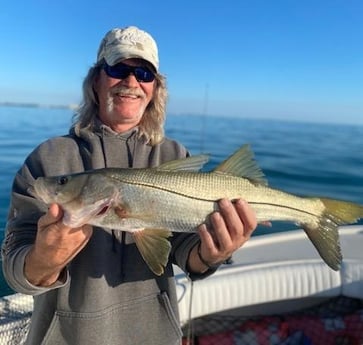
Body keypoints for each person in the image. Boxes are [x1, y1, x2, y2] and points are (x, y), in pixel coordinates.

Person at [1, 26, 257, 345]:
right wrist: (42, 261)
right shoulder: (48, 158)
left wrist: (210, 255)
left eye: (144, 73)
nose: (131, 81)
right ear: (96, 80)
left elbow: (181, 249)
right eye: (118, 68)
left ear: (155, 89)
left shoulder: (174, 154)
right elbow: (14, 265)